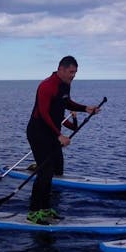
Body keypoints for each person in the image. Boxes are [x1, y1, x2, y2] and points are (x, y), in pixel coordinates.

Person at [26, 56, 99, 225]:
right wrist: (59, 135)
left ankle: (45, 209)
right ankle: (33, 212)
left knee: (50, 172)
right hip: (38, 132)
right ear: (61, 69)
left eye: (75, 72)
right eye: (71, 72)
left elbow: (66, 102)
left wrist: (85, 109)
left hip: (51, 133)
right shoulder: (46, 86)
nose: (73, 75)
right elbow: (43, 114)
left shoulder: (64, 84)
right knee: (44, 172)